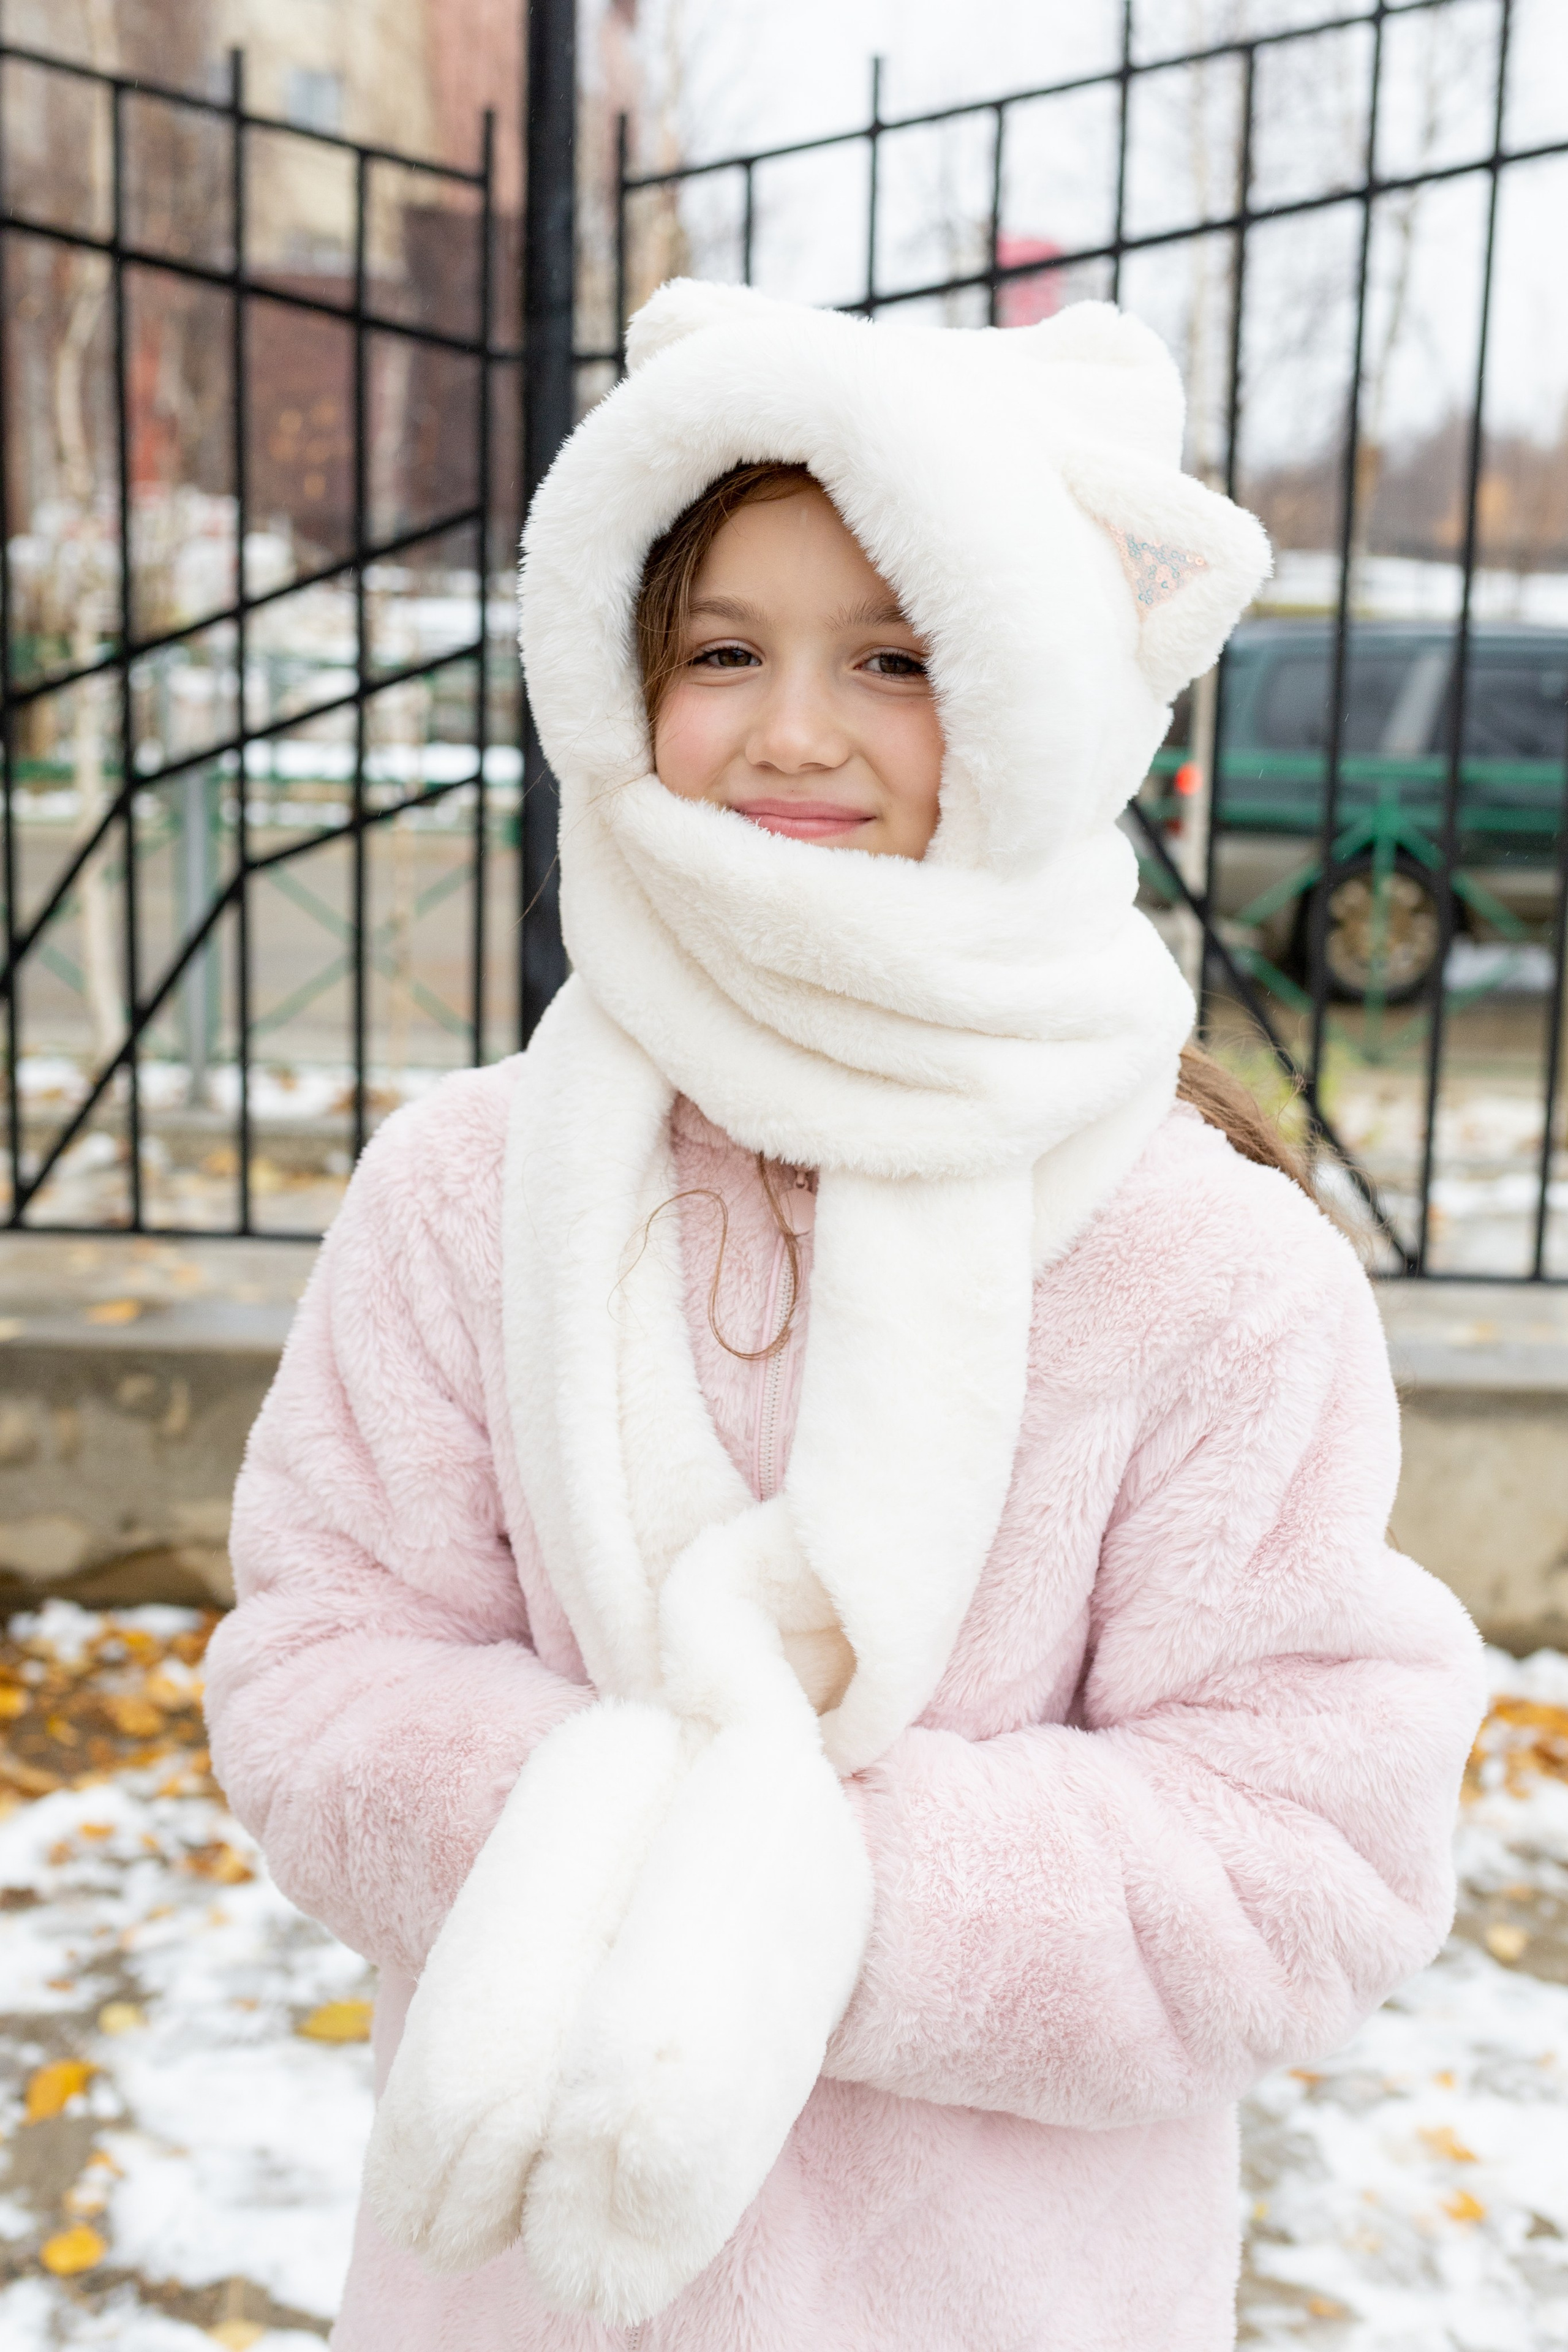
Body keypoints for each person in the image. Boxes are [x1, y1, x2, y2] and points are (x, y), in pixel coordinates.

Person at [205, 284, 1483, 2352]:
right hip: (519, 2305)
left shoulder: (1211, 1270)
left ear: (1045, 693)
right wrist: (599, 1838)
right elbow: (318, 1665)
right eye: (724, 651)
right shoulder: (469, 1188)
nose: (792, 731)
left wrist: (794, 1902)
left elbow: (1307, 1835)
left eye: (895, 657)